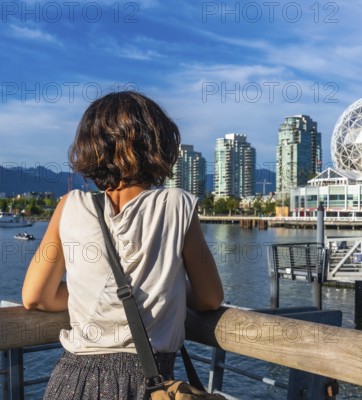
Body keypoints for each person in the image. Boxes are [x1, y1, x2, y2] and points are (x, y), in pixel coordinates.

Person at [22, 91, 224, 399]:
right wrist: (168, 290)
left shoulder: (70, 205)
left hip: (72, 382)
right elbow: (210, 299)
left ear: (91, 147)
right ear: (158, 145)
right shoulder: (177, 205)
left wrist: (89, 296)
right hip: (147, 383)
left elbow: (36, 297)